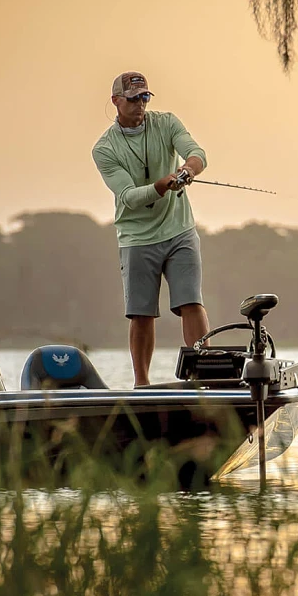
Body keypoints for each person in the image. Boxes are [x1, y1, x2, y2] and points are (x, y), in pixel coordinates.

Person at [92, 71, 210, 387]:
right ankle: (141, 383)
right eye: (133, 99)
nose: (140, 104)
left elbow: (197, 153)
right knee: (141, 313)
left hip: (179, 229)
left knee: (191, 302)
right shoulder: (104, 149)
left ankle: (204, 375)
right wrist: (160, 186)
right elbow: (129, 197)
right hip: (136, 237)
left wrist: (188, 169)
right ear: (116, 101)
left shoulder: (167, 122)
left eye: (145, 97)